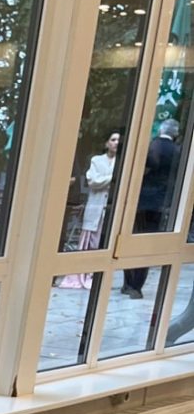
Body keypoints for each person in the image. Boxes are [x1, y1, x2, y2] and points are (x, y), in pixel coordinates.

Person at [123, 118, 182, 299]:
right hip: (161, 203)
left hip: (140, 200)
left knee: (130, 240)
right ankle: (137, 285)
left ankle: (128, 282)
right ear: (176, 134)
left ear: (160, 130)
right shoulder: (179, 152)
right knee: (148, 243)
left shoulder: (151, 146)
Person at [60, 130, 119, 288]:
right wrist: (113, 178)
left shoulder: (122, 163)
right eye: (113, 139)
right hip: (96, 206)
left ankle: (98, 276)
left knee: (104, 242)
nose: (116, 143)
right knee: (89, 241)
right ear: (107, 143)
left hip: (111, 209)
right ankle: (83, 274)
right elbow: (93, 181)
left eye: (118, 140)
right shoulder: (97, 160)